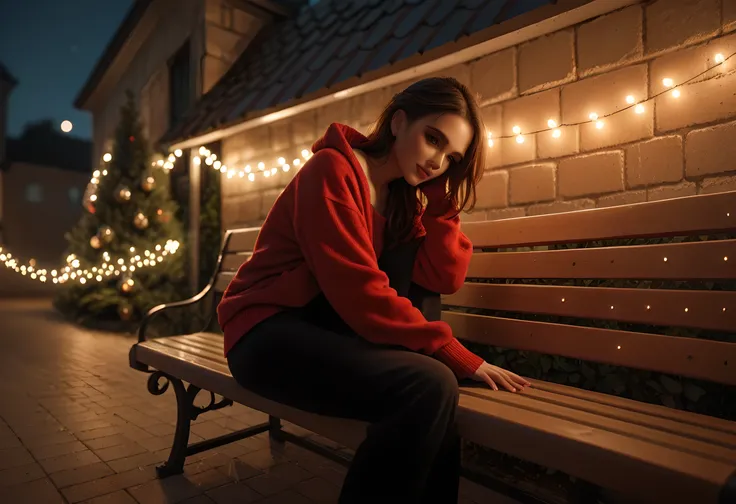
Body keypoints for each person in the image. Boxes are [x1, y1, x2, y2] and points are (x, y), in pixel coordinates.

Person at [217, 77, 531, 503]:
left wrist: (440, 203)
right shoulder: (332, 171)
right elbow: (359, 292)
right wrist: (452, 352)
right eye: (433, 139)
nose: (438, 161)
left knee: (436, 393)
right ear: (399, 122)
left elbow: (441, 278)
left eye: (452, 157)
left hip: (326, 330)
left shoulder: (398, 196)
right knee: (431, 386)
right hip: (265, 333)